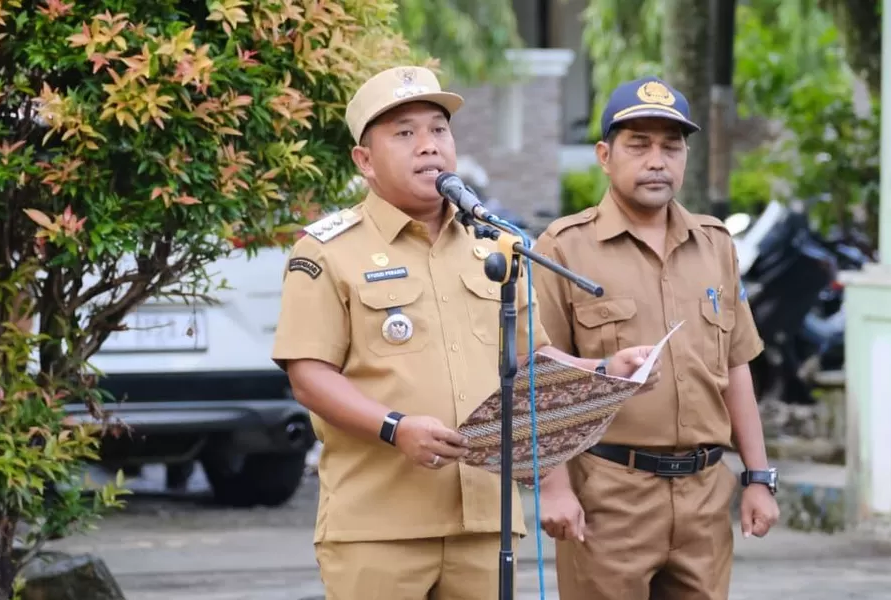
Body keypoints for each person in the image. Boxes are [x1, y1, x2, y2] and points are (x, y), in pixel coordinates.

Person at [270, 65, 662, 600]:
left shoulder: (495, 248)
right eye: (404, 133)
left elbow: (533, 362)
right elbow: (309, 375)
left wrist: (604, 370)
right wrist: (395, 427)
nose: (428, 147)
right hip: (379, 525)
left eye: (439, 130)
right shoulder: (327, 251)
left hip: (485, 521)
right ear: (364, 160)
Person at [530, 76, 781, 600]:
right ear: (604, 155)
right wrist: (553, 488)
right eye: (638, 145)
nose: (657, 160)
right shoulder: (564, 248)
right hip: (609, 495)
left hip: (704, 497)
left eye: (672, 146)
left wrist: (759, 476)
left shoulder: (715, 246)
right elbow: (540, 374)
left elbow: (736, 366)